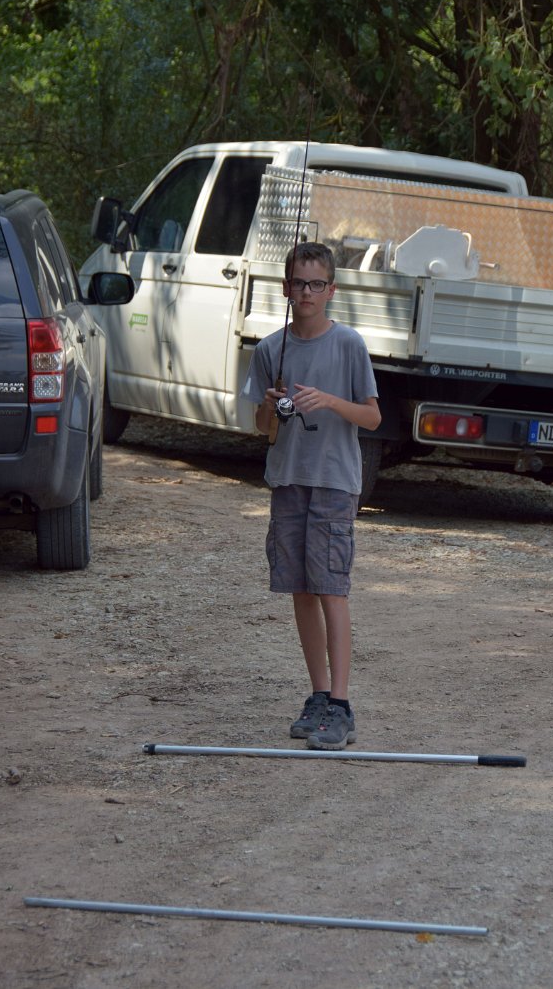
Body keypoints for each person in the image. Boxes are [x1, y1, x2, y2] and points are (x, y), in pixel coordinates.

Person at [242, 241, 381, 750]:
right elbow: (262, 428)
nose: (306, 292)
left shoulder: (348, 344)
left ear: (331, 290)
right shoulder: (268, 350)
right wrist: (270, 405)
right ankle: (319, 695)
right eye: (299, 283)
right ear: (286, 288)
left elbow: (373, 417)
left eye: (316, 284)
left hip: (334, 482)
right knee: (300, 588)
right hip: (288, 480)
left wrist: (330, 401)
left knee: (331, 590)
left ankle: (341, 705)